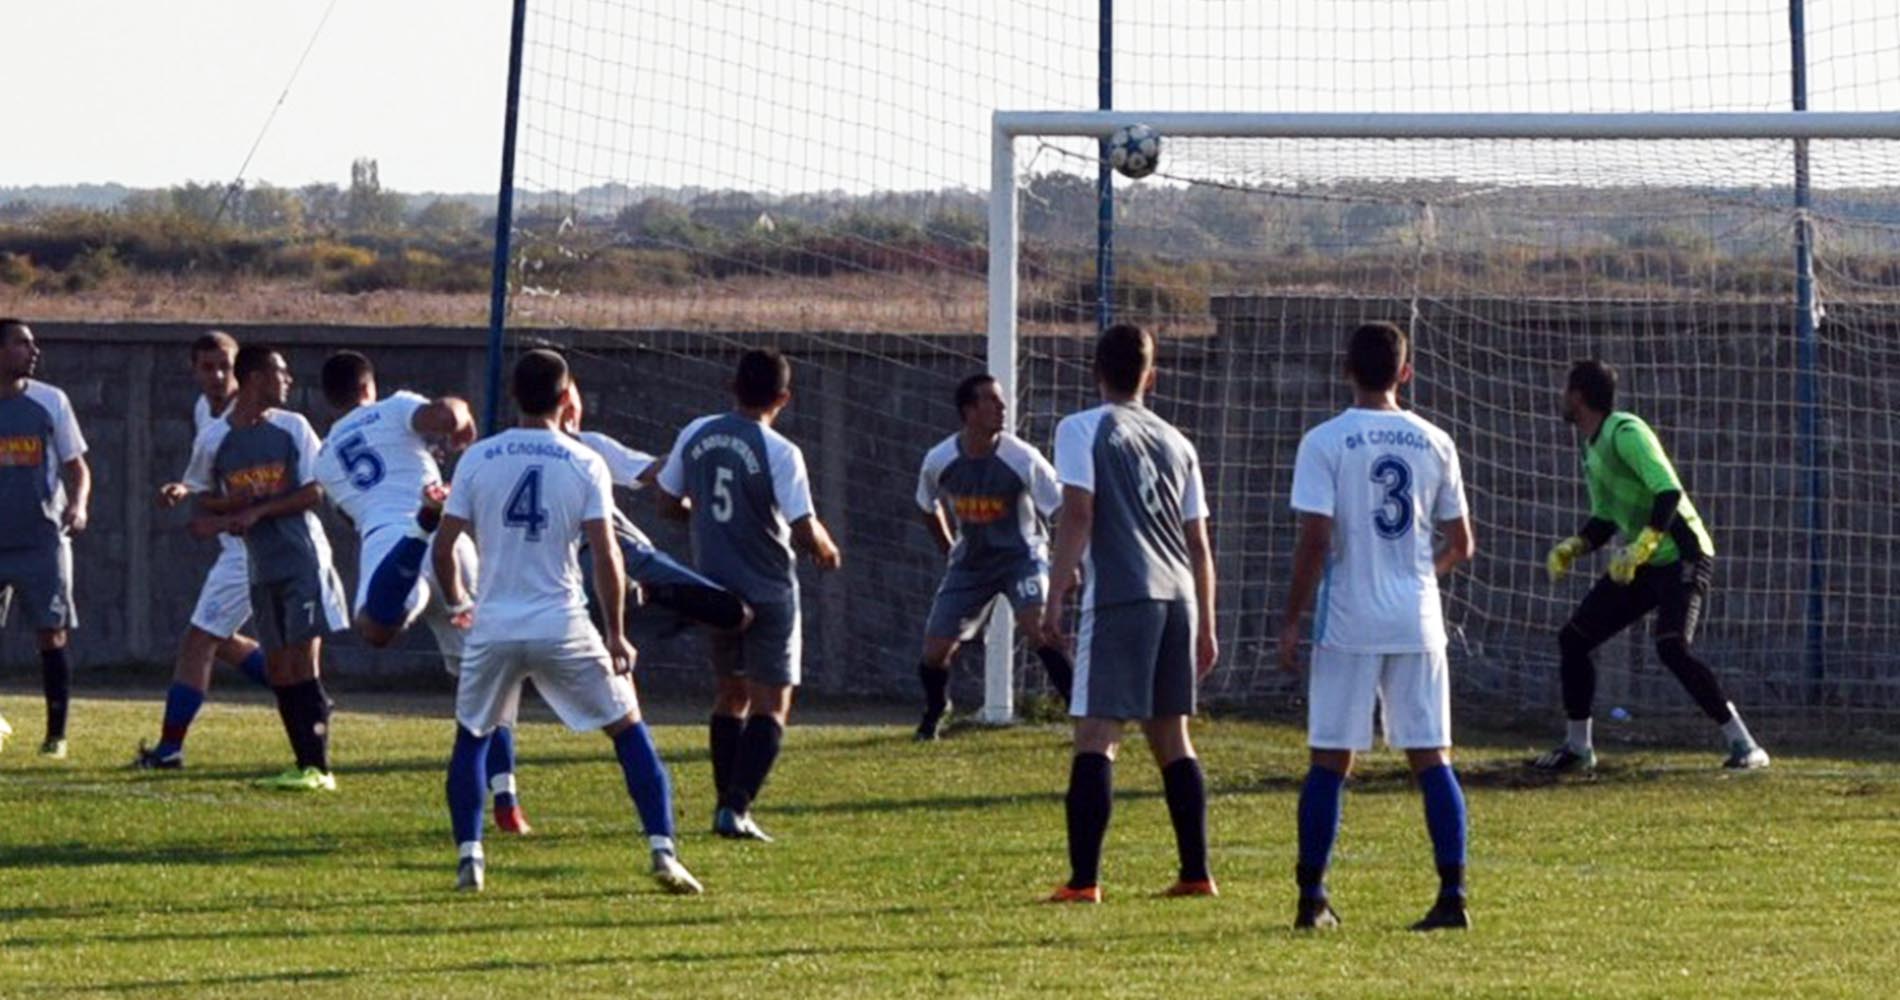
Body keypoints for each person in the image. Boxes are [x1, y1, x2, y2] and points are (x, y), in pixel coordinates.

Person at [432, 348, 700, 895]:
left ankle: (470, 858)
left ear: (513, 394)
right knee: (627, 728)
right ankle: (663, 850)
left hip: (495, 625)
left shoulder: (478, 458)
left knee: (473, 735)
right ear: (565, 398)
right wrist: (617, 634)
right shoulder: (584, 461)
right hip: (562, 624)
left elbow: (444, 547)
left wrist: (460, 604)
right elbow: (607, 554)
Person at [1278, 321, 1477, 932]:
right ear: (1405, 373)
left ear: (1346, 370)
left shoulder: (1325, 441)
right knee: (1431, 756)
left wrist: (1291, 618)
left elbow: (1315, 540)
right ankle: (1452, 897)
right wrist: (1419, 574)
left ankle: (1312, 899)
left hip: (1348, 619)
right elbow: (1462, 543)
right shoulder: (1435, 440)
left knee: (1330, 758)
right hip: (1417, 619)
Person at [309, 351, 536, 828]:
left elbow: (353, 513)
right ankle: (506, 797)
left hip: (388, 540)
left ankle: (414, 547)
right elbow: (448, 413)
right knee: (482, 673)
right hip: (453, 542)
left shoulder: (324, 457)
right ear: (368, 387)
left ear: (331, 399)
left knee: (375, 627)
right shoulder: (394, 407)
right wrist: (461, 423)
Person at [1042, 323, 1219, 903]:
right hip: (1179, 596)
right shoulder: (1178, 441)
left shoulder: (1081, 428)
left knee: (1096, 733)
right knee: (1171, 736)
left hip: (1122, 593)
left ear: (1095, 370)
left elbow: (1078, 512)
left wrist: (1055, 593)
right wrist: (1208, 623)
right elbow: (1199, 544)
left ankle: (1083, 881)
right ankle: (1196, 873)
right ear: (1152, 376)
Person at [1536, 360, 1769, 772]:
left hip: (1683, 552)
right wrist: (1574, 546)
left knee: (1671, 646)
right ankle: (1578, 748)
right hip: (1643, 560)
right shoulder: (1591, 447)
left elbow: (1668, 492)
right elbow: (1605, 518)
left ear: (1578, 396)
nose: (1561, 397)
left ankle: (1745, 745)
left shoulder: (1627, 431)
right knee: (1574, 639)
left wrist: (1643, 545)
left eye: (1565, 390)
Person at [656, 348, 842, 842]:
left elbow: (666, 502)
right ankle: (736, 808)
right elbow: (803, 527)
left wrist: (702, 515)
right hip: (768, 590)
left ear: (732, 386)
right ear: (784, 398)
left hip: (715, 589)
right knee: (771, 705)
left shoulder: (696, 433)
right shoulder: (780, 451)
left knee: (729, 694)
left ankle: (724, 803)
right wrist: (827, 549)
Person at [184, 345, 348, 791]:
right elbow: (204, 495)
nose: (288, 380)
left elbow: (315, 491)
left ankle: (320, 768)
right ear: (256, 378)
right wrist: (226, 509)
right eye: (281, 372)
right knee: (279, 668)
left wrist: (257, 511)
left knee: (303, 661)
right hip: (260, 564)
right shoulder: (215, 439)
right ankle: (302, 764)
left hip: (302, 559)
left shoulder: (293, 427)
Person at [134, 331, 271, 770]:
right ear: (194, 370)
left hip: (253, 546)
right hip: (234, 543)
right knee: (220, 640)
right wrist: (183, 487)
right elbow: (206, 472)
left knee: (198, 641)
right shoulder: (203, 410)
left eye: (225, 367)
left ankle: (169, 749)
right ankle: (305, 696)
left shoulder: (254, 417)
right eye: (208, 367)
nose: (217, 376)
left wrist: (218, 513)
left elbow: (264, 487)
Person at [911, 372, 1069, 740]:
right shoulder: (940, 459)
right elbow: (926, 503)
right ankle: (935, 710)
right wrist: (948, 547)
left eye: (1001, 400)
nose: (1002, 407)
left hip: (1021, 558)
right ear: (969, 410)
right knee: (935, 651)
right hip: (971, 564)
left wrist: (1067, 562)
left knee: (1039, 628)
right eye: (991, 400)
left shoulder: (1022, 457)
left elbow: (1062, 508)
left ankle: (1080, 712)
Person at [559, 384, 750, 639]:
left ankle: (643, 600)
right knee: (736, 611)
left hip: (553, 586)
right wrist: (702, 450)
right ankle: (647, 593)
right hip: (612, 558)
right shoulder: (583, 447)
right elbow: (657, 471)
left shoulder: (505, 453)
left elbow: (652, 469)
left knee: (603, 649)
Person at [0, 319, 90, 759]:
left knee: (51, 634)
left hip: (42, 540)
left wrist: (79, 505)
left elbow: (77, 466)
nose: (34, 351)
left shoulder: (50, 401)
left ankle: (56, 735)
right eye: (22, 343)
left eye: (33, 344)